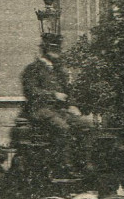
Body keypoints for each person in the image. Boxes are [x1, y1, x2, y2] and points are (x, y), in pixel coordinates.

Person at [20, 33, 89, 170]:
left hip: (59, 111)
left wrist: (72, 105)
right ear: (45, 49)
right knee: (62, 127)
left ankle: (84, 164)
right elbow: (31, 92)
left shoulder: (59, 71)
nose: (57, 51)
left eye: (58, 48)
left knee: (86, 125)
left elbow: (69, 91)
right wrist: (53, 95)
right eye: (53, 48)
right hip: (40, 110)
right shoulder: (33, 69)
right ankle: (63, 165)